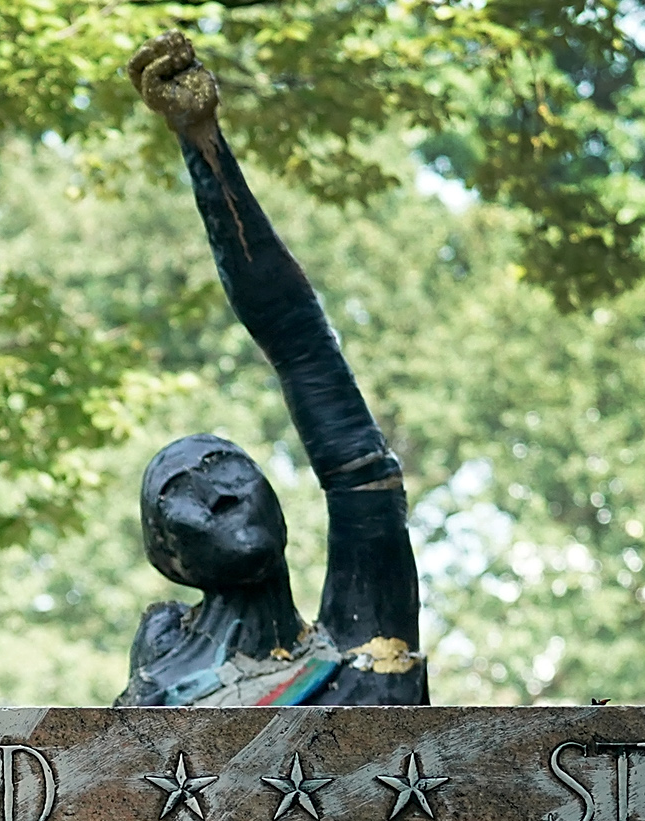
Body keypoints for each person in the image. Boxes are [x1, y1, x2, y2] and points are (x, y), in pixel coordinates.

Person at [119, 30, 428, 709]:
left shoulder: (365, 646)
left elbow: (301, 346)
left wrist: (203, 143)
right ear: (169, 558)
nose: (220, 492)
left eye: (228, 465)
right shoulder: (156, 706)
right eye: (178, 491)